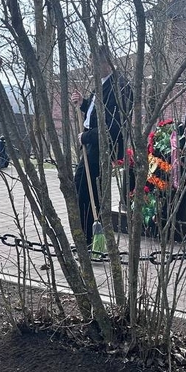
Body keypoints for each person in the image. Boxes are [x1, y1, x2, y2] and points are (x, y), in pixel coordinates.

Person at [73, 47, 133, 236]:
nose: (91, 68)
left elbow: (113, 126)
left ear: (106, 62)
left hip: (103, 148)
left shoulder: (120, 87)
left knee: (89, 195)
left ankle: (90, 240)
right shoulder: (102, 85)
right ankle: (85, 238)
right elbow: (96, 114)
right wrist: (83, 103)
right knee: (79, 190)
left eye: (94, 64)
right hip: (92, 145)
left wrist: (86, 137)